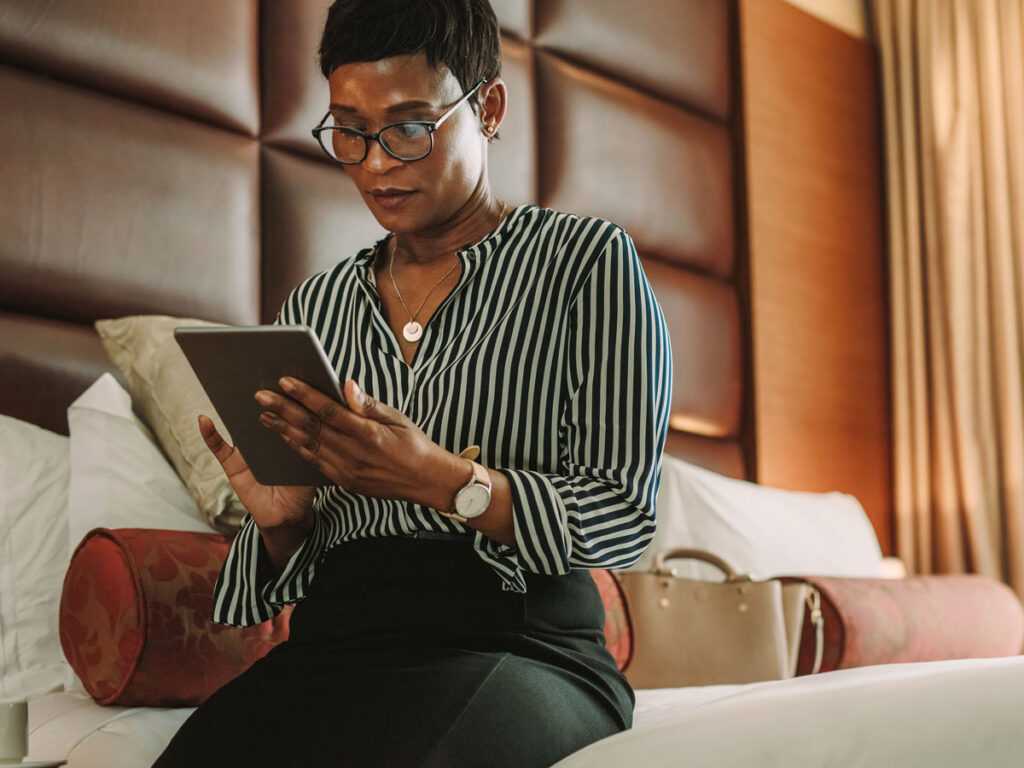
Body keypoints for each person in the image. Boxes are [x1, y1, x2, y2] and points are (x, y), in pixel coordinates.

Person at [154, 1, 672, 766]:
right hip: (334, 649)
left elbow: (624, 515)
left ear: (487, 107)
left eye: (407, 126)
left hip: (523, 645)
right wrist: (280, 522)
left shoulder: (585, 264)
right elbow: (290, 571)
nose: (374, 162)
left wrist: (448, 482)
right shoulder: (315, 306)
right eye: (349, 131)